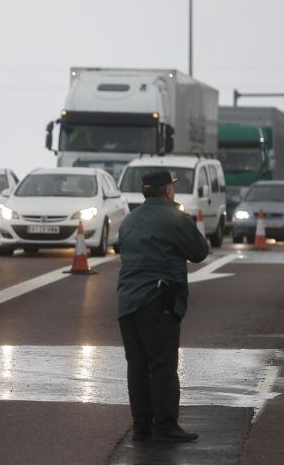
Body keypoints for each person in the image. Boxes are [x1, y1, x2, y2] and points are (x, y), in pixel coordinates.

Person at [117, 169, 208, 442]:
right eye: (172, 187)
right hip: (158, 300)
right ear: (167, 191)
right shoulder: (174, 218)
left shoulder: (129, 220)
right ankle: (166, 425)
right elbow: (199, 251)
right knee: (163, 364)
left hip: (126, 302)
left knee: (137, 365)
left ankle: (141, 427)